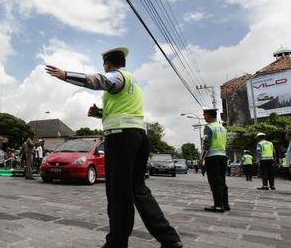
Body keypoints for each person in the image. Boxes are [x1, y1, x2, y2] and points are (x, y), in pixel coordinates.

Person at [45, 47, 182, 248]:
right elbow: (123, 112)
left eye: (104, 65)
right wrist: (99, 113)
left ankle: (116, 243)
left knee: (118, 193)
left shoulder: (117, 77)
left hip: (120, 138)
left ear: (108, 64)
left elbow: (99, 81)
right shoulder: (134, 84)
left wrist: (66, 75)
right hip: (138, 136)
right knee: (138, 190)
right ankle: (170, 239)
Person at [201, 108, 229, 213]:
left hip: (212, 157)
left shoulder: (209, 127)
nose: (204, 117)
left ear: (209, 115)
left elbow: (206, 144)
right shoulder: (222, 128)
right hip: (223, 156)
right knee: (222, 181)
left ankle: (218, 205)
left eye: (204, 115)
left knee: (215, 182)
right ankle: (225, 204)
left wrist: (201, 159)